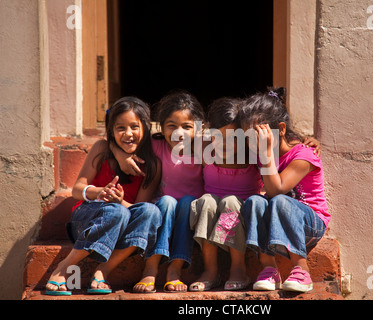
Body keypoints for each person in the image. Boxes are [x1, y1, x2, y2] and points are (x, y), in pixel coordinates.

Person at [45, 97, 162, 296]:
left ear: (145, 127)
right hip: (88, 221)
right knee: (117, 212)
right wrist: (99, 192)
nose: (128, 134)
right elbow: (77, 190)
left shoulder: (152, 165)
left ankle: (103, 270)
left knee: (151, 211)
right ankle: (64, 267)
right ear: (111, 130)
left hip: (123, 223)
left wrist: (120, 201)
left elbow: (139, 209)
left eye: (134, 126)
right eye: (120, 128)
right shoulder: (101, 149)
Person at [113, 90, 205, 293]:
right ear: (161, 128)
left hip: (191, 215)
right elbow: (111, 141)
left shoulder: (205, 150)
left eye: (187, 127)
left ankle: (175, 268)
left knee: (187, 200)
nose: (178, 132)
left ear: (199, 129)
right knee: (168, 201)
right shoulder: (156, 146)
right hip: (163, 211)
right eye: (171, 126)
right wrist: (121, 156)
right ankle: (151, 266)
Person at [240, 87, 329, 293]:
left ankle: (301, 269)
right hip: (276, 220)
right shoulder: (258, 155)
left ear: (280, 129)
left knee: (280, 200)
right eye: (248, 137)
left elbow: (277, 190)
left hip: (310, 223)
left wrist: (265, 154)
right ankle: (269, 268)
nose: (253, 142)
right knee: (254, 201)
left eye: (259, 135)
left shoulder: (304, 155)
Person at [189, 98, 263, 291]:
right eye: (218, 136)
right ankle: (210, 270)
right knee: (206, 201)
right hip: (212, 219)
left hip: (242, 222)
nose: (225, 144)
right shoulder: (205, 151)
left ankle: (238, 268)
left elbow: (287, 142)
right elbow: (163, 142)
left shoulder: (254, 156)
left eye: (234, 138)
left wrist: (304, 140)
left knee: (229, 202)